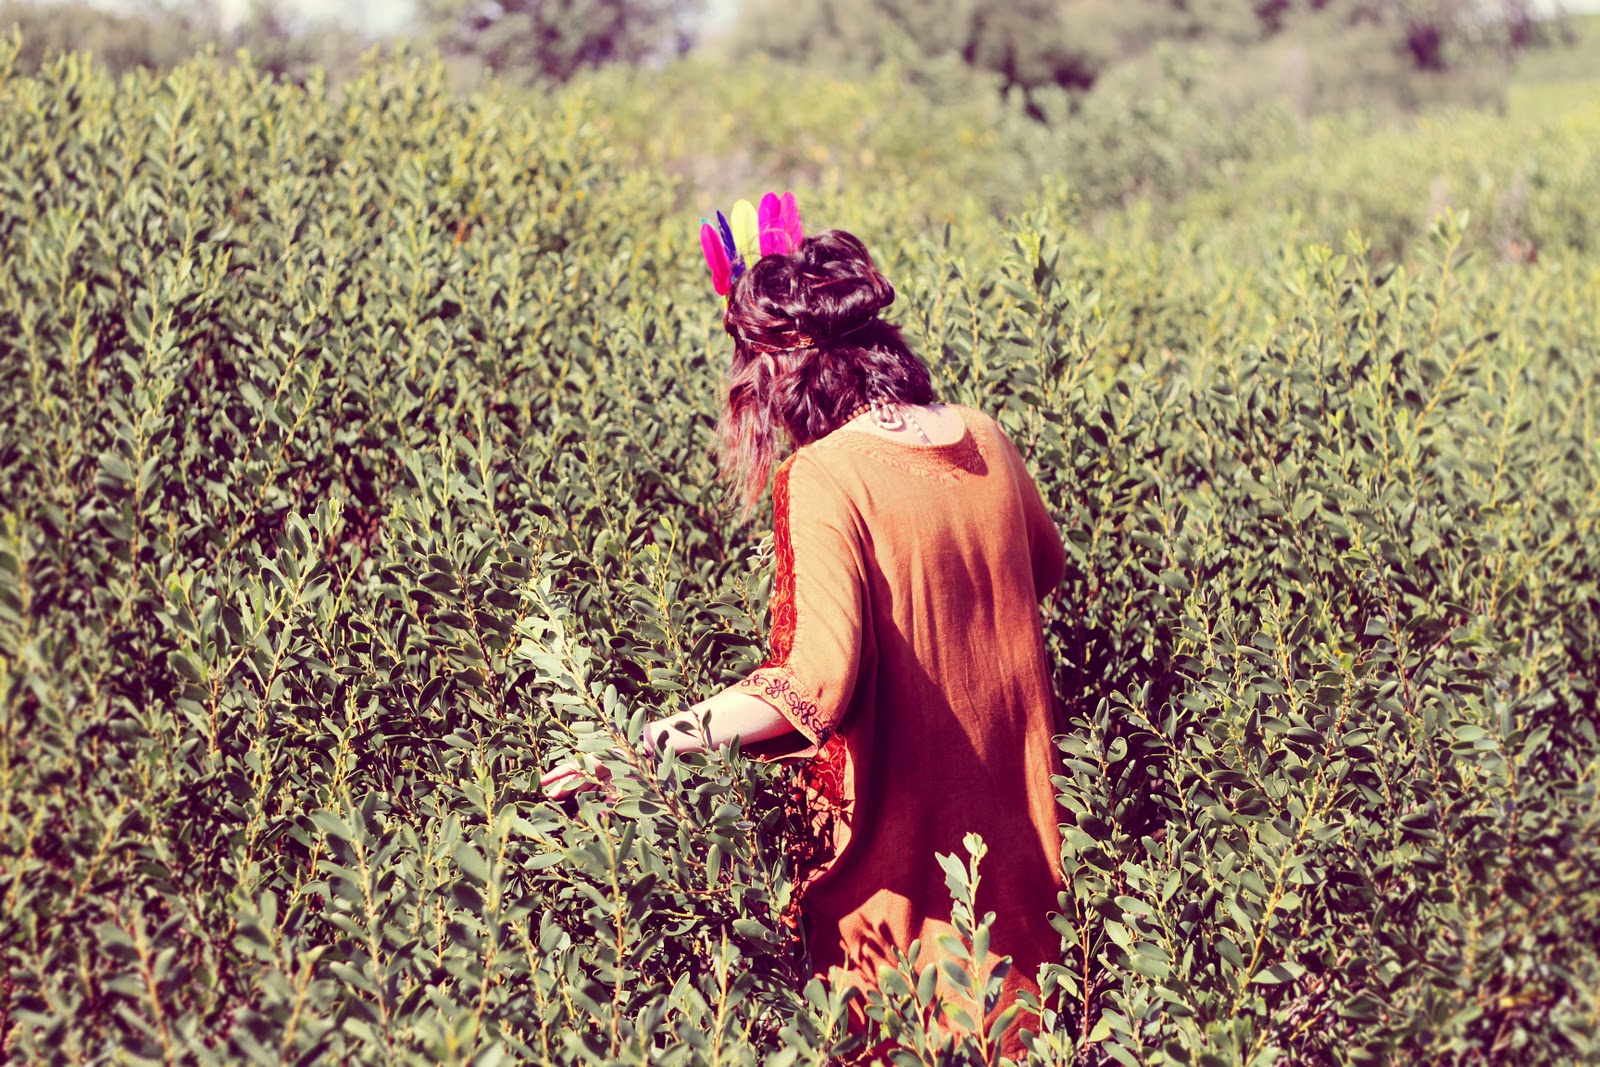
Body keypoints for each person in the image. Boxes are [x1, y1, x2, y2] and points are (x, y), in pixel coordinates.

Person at [544, 226, 1067, 1055]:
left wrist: (641, 743)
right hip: (1027, 869)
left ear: (781, 367)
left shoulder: (825, 473)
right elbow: (1043, 567)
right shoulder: (987, 437)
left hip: (908, 893)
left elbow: (814, 684)